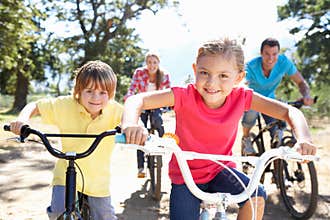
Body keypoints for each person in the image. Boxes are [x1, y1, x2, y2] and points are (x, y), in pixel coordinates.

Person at [121, 38, 317, 220]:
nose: (212, 83)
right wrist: (132, 123)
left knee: (256, 194)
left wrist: (304, 139)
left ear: (238, 77)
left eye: (223, 75)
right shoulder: (184, 95)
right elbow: (137, 100)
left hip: (220, 169)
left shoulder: (242, 97)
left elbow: (289, 112)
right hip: (186, 177)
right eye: (204, 73)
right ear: (195, 69)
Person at [9, 60, 122, 220]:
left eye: (103, 93)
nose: (95, 97)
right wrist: (22, 120)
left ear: (110, 94)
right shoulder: (65, 104)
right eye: (89, 91)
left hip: (98, 178)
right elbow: (35, 106)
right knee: (57, 213)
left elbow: (130, 120)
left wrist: (133, 128)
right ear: (78, 90)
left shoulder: (115, 109)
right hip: (66, 172)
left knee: (105, 216)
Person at [241, 37, 314, 155]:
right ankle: (246, 138)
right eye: (267, 54)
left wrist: (306, 95)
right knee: (251, 114)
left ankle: (277, 164)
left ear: (278, 54)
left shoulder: (283, 62)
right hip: (253, 99)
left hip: (270, 99)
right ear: (261, 53)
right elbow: (243, 83)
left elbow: (301, 82)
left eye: (274, 54)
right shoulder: (251, 66)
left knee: (277, 129)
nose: (271, 58)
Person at [124, 51, 171, 178]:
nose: (152, 65)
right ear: (146, 63)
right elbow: (132, 88)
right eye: (149, 62)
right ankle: (141, 167)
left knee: (158, 121)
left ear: (158, 63)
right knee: (139, 132)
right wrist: (129, 98)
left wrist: (169, 106)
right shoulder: (139, 73)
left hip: (156, 105)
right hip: (142, 105)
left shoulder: (164, 75)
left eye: (154, 62)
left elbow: (169, 92)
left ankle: (163, 142)